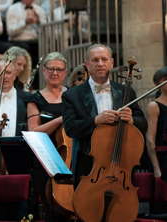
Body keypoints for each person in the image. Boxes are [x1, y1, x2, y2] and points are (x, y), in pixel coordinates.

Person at [62, 44, 147, 186]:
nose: (100, 64)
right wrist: (95, 120)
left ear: (111, 63)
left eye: (104, 59)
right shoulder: (72, 95)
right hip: (89, 165)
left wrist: (132, 120)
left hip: (121, 162)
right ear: (86, 64)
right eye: (95, 60)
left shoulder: (126, 91)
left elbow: (143, 124)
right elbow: (70, 128)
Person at [26, 52, 68, 220]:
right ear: (44, 71)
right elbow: (33, 132)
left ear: (65, 72)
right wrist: (59, 120)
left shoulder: (73, 95)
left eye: (59, 69)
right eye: (50, 69)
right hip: (46, 158)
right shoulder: (34, 99)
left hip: (71, 156)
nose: (54, 73)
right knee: (49, 205)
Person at [6, 0, 46, 64]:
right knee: (26, 49)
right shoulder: (13, 9)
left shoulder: (40, 10)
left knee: (45, 49)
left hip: (36, 42)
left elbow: (46, 33)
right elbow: (10, 32)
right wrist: (25, 23)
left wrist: (39, 22)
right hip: (18, 42)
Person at [146, 67, 167, 181]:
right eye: (165, 79)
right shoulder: (154, 106)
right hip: (163, 159)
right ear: (157, 84)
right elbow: (150, 139)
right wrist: (156, 168)